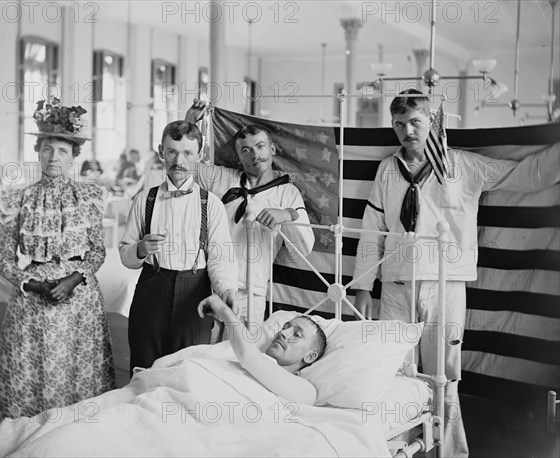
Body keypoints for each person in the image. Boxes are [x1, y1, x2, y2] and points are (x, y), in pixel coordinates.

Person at [352, 89, 559, 457]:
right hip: (397, 283)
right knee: (393, 368)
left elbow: (525, 176)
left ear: (433, 121)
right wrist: (363, 288)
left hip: (444, 285)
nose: (407, 131)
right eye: (399, 124)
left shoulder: (461, 165)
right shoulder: (387, 169)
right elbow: (372, 231)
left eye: (416, 122)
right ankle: (400, 446)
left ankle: (449, 450)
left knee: (443, 373)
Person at [0, 97, 115, 423]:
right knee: (31, 369)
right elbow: (3, 259)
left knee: (75, 372)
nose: (53, 156)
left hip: (79, 297)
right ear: (37, 151)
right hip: (33, 299)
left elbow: (96, 251)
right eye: (47, 148)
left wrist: (74, 279)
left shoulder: (89, 196)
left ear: (74, 156)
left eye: (62, 150)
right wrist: (31, 283)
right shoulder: (16, 198)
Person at [119, 121, 238, 372]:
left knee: (188, 372)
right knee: (144, 369)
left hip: (194, 296)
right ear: (161, 152)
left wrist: (226, 289)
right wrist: (139, 249)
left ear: (199, 155)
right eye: (172, 151)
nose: (179, 160)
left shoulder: (211, 204)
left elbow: (221, 257)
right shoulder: (144, 200)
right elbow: (126, 255)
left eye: (187, 153)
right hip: (151, 292)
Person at [186, 100, 315, 327]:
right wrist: (189, 124)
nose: (254, 154)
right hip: (208, 283)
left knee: (242, 355)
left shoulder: (288, 193)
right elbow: (184, 165)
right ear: (238, 158)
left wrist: (288, 215)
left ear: (272, 149)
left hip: (251, 291)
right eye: (246, 150)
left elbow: (304, 250)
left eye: (260, 146)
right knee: (205, 353)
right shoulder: (223, 178)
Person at [198, 294, 327, 405]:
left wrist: (224, 311)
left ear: (309, 356)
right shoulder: (230, 355)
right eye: (285, 327)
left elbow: (249, 357)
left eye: (297, 334)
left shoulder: (307, 391)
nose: (283, 333)